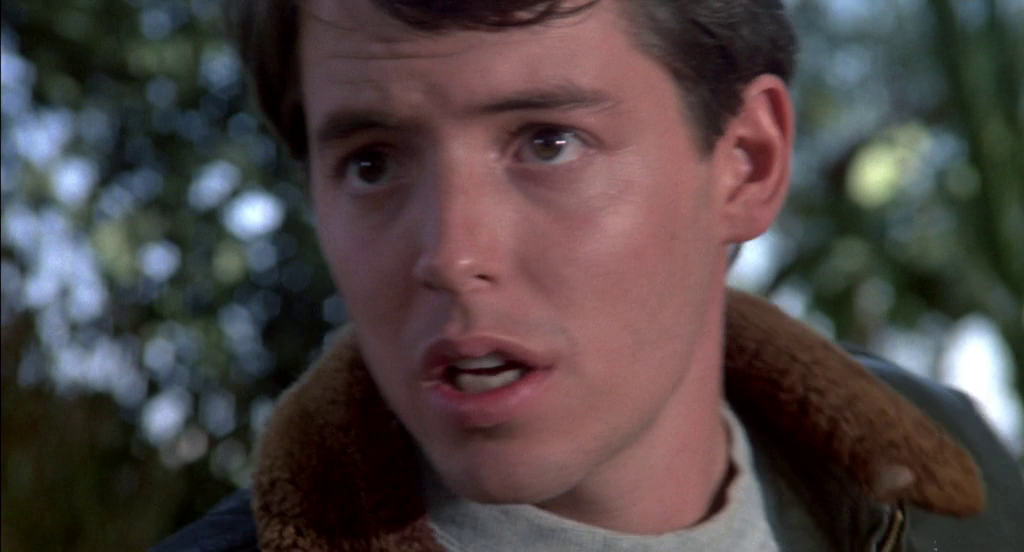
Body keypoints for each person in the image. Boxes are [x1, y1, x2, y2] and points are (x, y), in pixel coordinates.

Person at [152, 1, 1024, 550]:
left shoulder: (964, 479)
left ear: (747, 165)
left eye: (549, 142)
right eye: (372, 163)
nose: (452, 256)